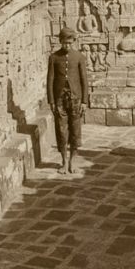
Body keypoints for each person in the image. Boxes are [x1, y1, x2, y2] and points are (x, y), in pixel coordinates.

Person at [47, 26, 89, 173]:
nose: (67, 46)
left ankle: (73, 161)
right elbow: (50, 80)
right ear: (60, 41)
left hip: (75, 99)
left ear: (73, 42)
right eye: (65, 43)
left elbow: (84, 80)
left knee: (75, 130)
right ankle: (64, 161)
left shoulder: (79, 57)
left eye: (70, 43)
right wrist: (51, 101)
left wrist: (84, 101)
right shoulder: (54, 58)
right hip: (59, 100)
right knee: (61, 130)